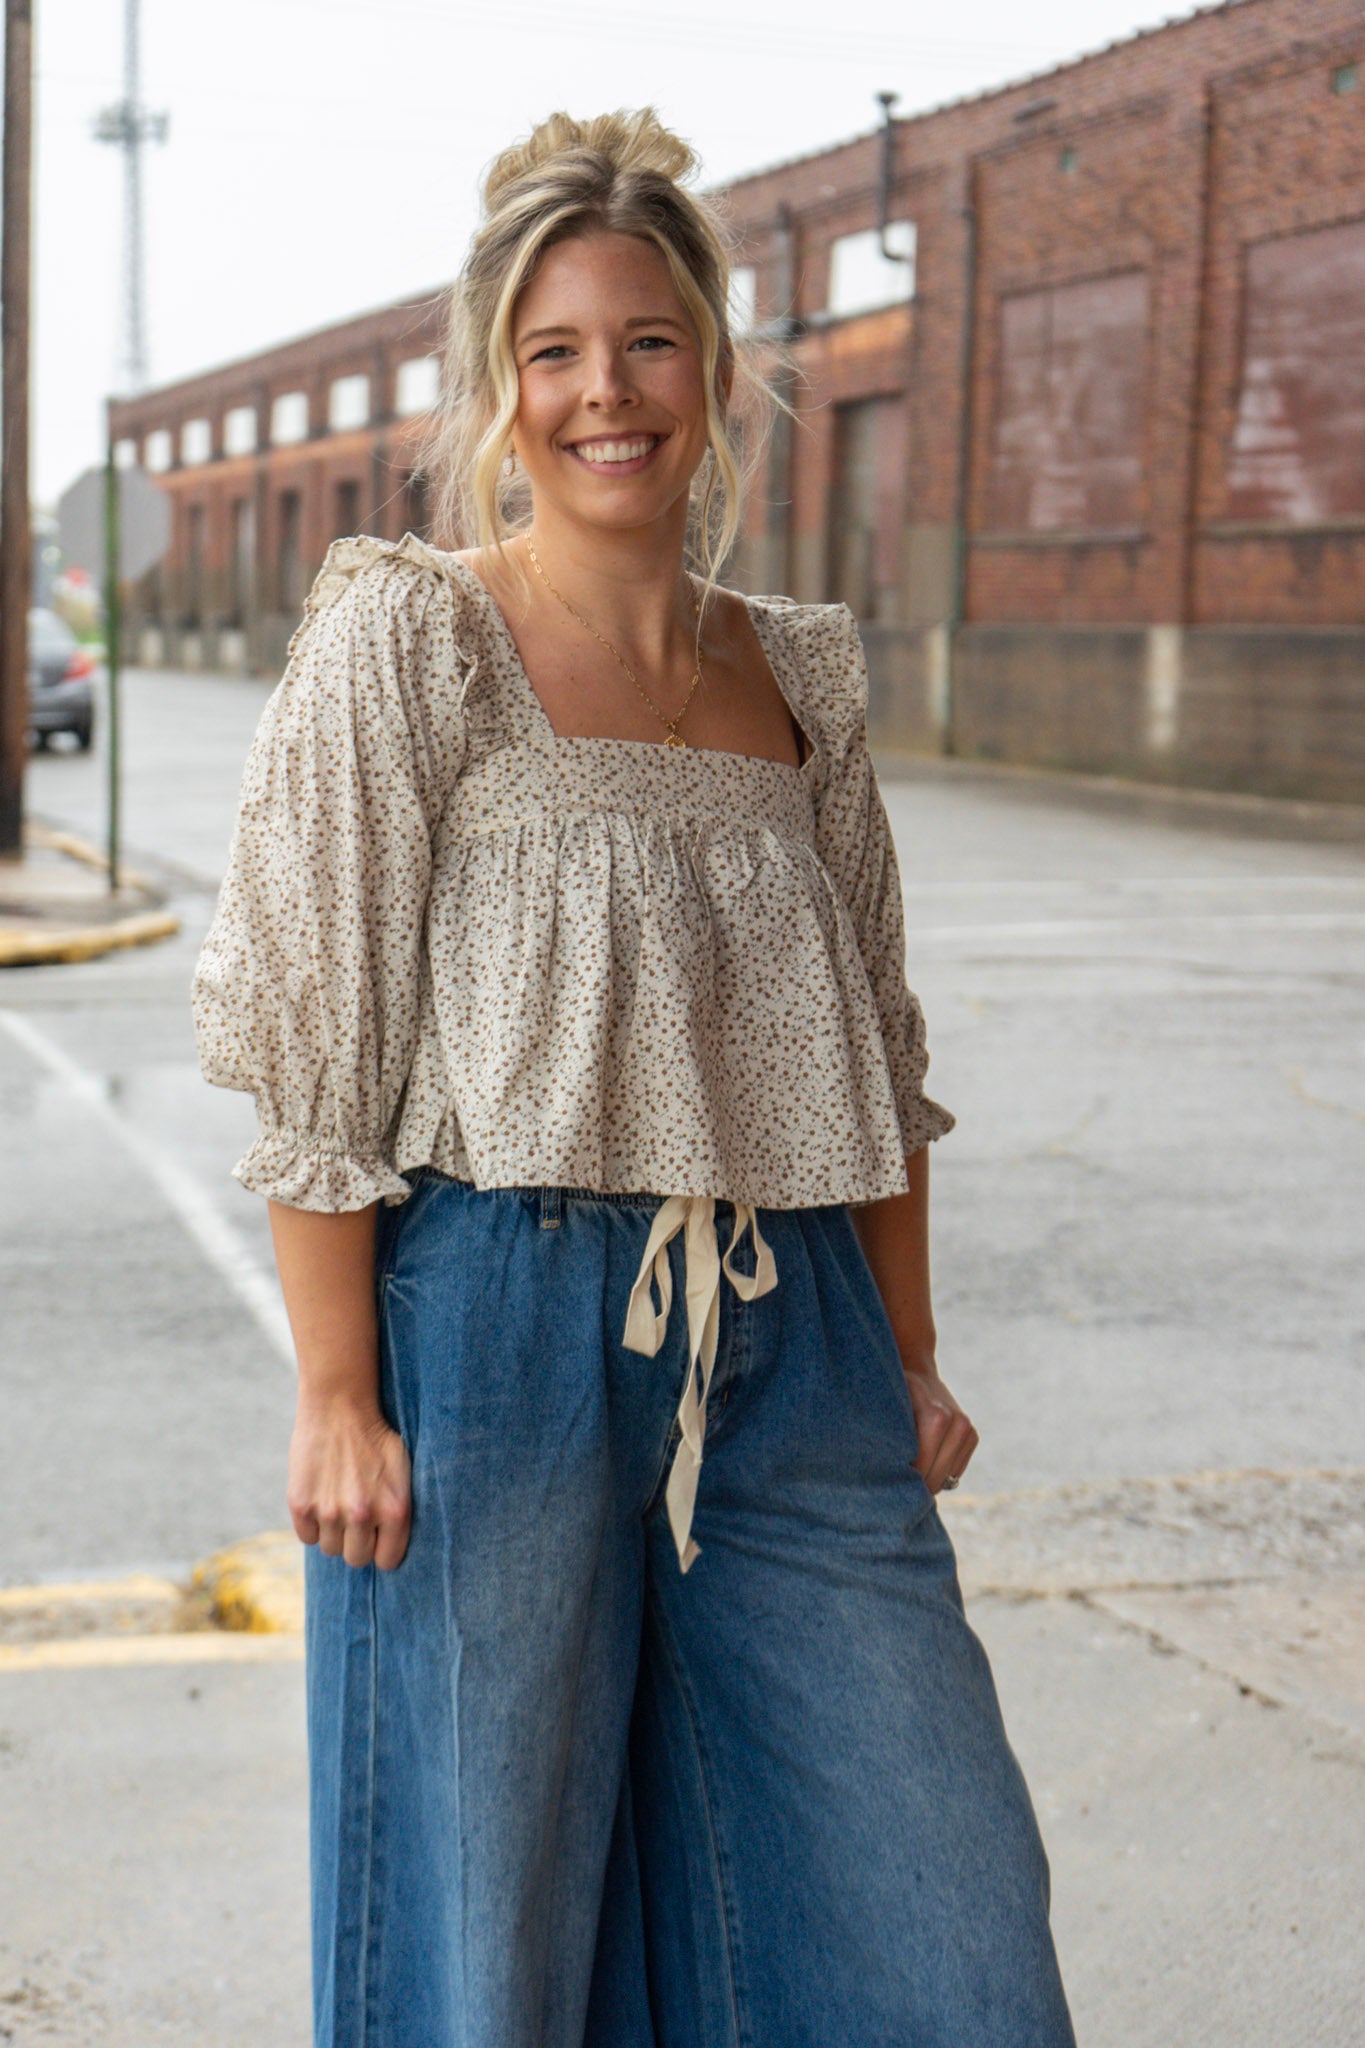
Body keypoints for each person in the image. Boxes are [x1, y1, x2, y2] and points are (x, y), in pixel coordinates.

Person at [193, 105, 1076, 2048]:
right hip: (495, 1318)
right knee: (488, 1931)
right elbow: (312, 1037)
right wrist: (340, 1395)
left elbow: (877, 1050)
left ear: (719, 370)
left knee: (948, 1922)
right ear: (500, 394)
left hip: (796, 1332)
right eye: (557, 352)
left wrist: (907, 1350)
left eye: (649, 340)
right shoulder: (409, 642)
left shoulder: (796, 676)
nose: (609, 391)